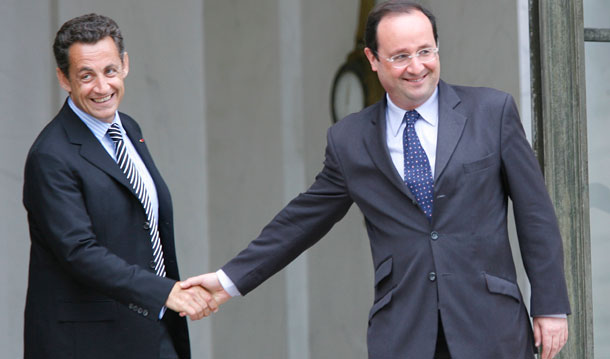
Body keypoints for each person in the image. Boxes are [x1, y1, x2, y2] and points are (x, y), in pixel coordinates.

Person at [181, 1, 570, 358]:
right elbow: (300, 221)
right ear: (372, 59)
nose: (416, 67)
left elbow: (535, 212)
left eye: (425, 51)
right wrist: (227, 280)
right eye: (400, 56)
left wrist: (550, 305)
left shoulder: (491, 111)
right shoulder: (350, 140)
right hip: (404, 335)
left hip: (491, 325)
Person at [22, 13, 216, 359]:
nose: (102, 87)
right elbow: (79, 252)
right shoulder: (50, 156)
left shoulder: (127, 127)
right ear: (63, 79)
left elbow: (142, 224)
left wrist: (169, 295)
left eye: (110, 71)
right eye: (86, 75)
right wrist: (164, 291)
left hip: (151, 328)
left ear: (125, 65)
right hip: (90, 343)